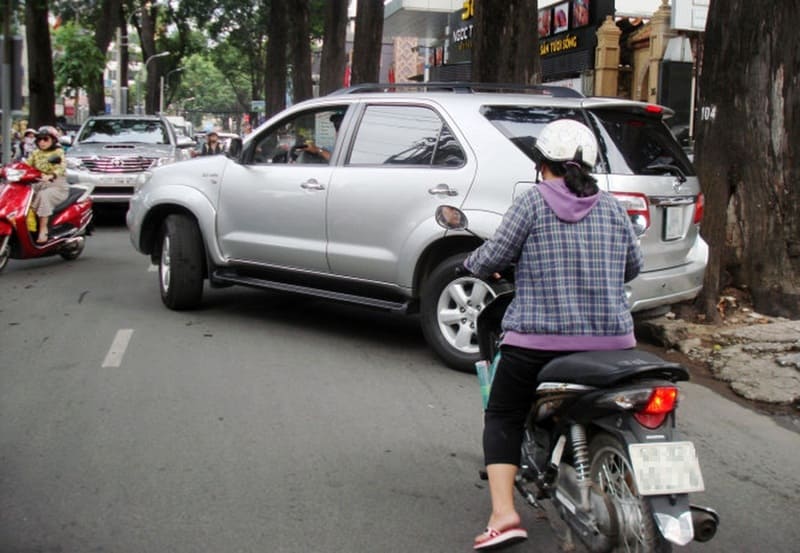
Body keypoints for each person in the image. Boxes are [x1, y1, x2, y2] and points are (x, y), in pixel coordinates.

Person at [464, 119, 643, 550]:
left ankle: (504, 515)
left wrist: (472, 263)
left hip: (538, 345)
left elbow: (491, 257)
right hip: (613, 347)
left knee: (503, 414)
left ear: (542, 165)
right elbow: (632, 267)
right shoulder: (613, 208)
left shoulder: (532, 203)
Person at [26, 126, 69, 244]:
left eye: (45, 139)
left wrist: (51, 175)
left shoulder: (58, 152)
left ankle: (43, 229)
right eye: (39, 139)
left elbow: (61, 167)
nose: (42, 142)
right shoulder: (35, 153)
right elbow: (26, 165)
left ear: (53, 140)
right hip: (37, 183)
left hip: (55, 185)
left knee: (43, 196)